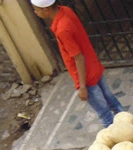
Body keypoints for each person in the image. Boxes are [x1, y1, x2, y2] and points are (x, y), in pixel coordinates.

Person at [31, 0, 124, 128]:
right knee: (112, 101)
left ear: (46, 9)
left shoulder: (62, 30)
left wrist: (82, 86)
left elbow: (78, 58)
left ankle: (120, 139)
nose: (35, 12)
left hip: (86, 77)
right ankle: (128, 123)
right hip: (94, 67)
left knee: (104, 115)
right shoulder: (66, 10)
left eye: (36, 9)